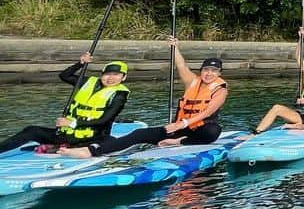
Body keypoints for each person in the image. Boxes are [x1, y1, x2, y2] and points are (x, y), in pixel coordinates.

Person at [61, 38, 226, 158]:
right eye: (206, 70)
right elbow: (181, 65)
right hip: (178, 128)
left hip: (199, 130)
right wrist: (175, 48)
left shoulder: (220, 89)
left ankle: (177, 142)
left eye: (213, 71)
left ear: (219, 73)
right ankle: (91, 151)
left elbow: (207, 112)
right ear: (202, 70)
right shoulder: (192, 81)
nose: (209, 74)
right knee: (139, 133)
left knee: (213, 131)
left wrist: (183, 123)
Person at [0, 52, 130, 153]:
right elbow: (64, 76)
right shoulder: (88, 82)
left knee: (101, 141)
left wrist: (72, 123)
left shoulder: (119, 95)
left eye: (116, 75)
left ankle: (70, 149)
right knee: (31, 131)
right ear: (102, 75)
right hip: (66, 135)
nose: (111, 78)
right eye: (107, 74)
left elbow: (105, 120)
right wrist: (80, 63)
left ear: (123, 77)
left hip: (91, 139)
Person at [255, 28, 304, 132]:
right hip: (300, 114)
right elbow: (297, 56)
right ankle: (256, 132)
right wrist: (301, 38)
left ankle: (297, 126)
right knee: (276, 107)